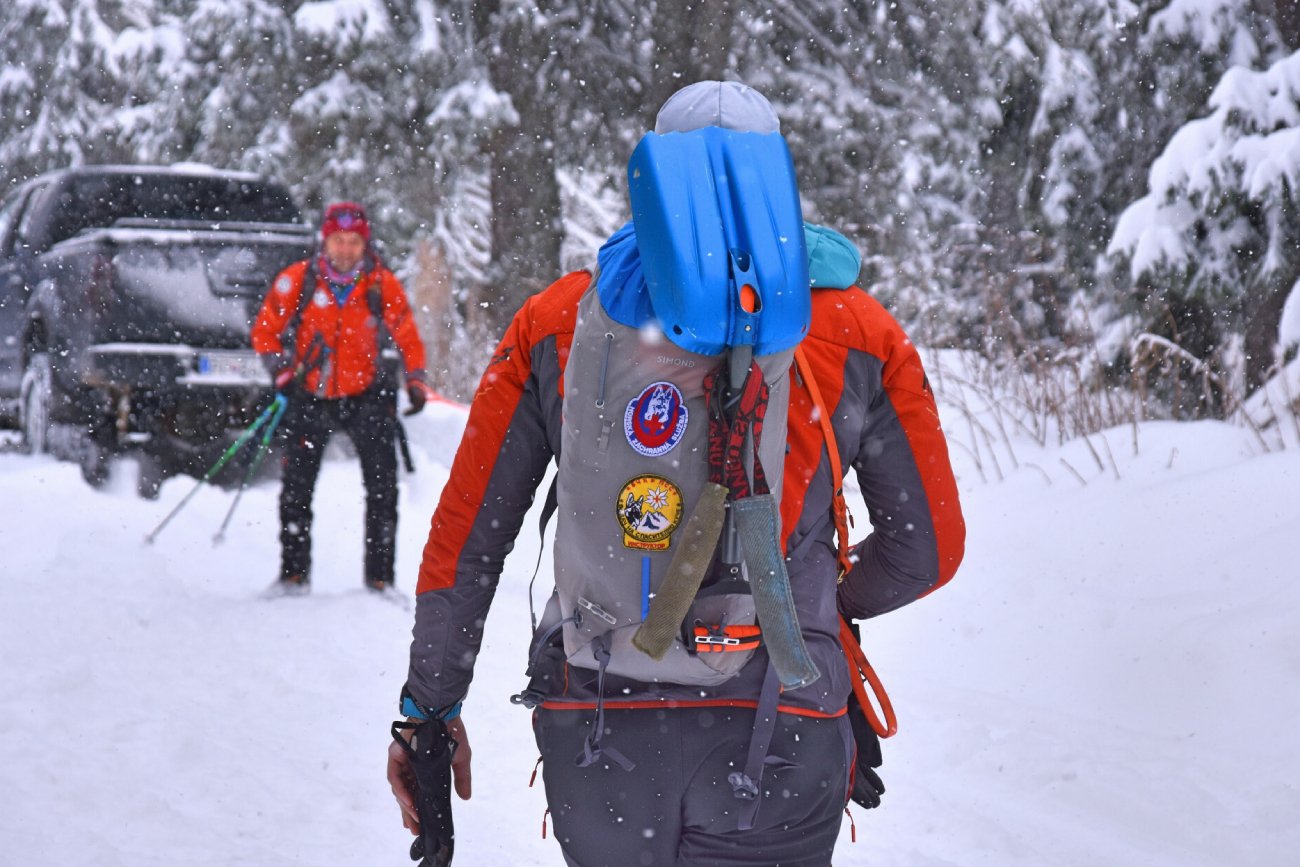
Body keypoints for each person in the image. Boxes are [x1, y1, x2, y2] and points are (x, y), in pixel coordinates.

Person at [387, 82, 966, 865]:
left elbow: (467, 544)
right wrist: (814, 604)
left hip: (599, 720)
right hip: (783, 721)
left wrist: (428, 709)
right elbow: (928, 546)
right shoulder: (856, 329)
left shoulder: (559, 323)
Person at [251, 201, 435, 595]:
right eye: (338, 240)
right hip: (309, 397)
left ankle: (380, 581)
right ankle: (293, 576)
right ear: (325, 241)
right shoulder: (298, 280)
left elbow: (406, 333)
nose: (346, 250)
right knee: (297, 490)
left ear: (364, 244)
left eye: (354, 242)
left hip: (365, 396)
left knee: (383, 491)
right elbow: (265, 330)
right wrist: (281, 371)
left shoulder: (380, 283)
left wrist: (416, 381)